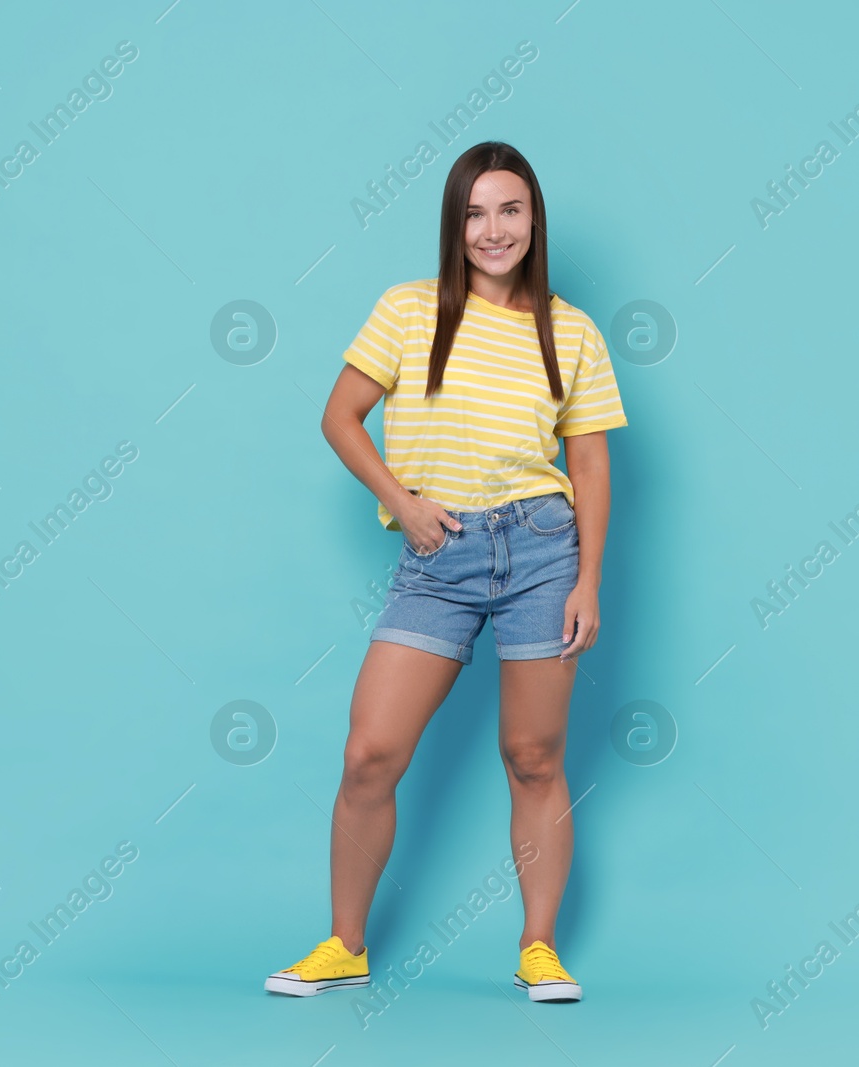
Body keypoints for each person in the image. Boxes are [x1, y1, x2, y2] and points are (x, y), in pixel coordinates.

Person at [264, 141, 627, 1004]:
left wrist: (589, 583)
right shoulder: (408, 309)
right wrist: (404, 501)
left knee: (533, 756)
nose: (492, 230)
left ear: (534, 219)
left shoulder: (571, 330)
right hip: (439, 553)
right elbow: (341, 415)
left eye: (509, 210)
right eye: (474, 213)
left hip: (545, 552)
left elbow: (593, 468)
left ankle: (539, 947)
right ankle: (346, 944)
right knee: (370, 753)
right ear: (453, 223)